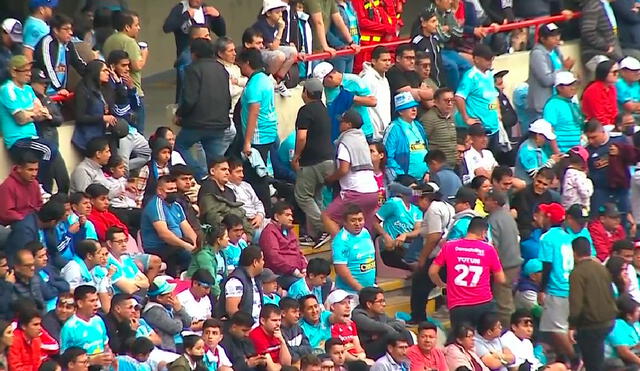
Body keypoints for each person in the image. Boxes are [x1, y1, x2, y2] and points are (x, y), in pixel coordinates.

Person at [429, 217, 505, 329]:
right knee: (484, 339)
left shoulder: (449, 246)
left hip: (458, 304)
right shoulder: (488, 249)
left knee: (461, 339)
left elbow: (432, 272)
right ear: (484, 232)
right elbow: (501, 279)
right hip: (483, 302)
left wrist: (442, 284)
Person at [174, 38, 232, 180]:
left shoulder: (192, 69)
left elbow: (189, 99)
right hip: (220, 122)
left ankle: (201, 176)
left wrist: (179, 114)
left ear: (194, 54)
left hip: (198, 123)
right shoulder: (221, 69)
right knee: (214, 161)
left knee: (180, 146)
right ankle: (215, 184)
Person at [0, 55, 59, 192]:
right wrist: (33, 112)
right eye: (25, 70)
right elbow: (20, 119)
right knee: (49, 150)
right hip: (17, 139)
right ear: (14, 72)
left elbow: (42, 113)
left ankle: (40, 188)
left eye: (29, 70)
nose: (29, 73)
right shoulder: (7, 90)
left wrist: (29, 112)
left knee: (50, 152)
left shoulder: (28, 89)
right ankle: (38, 186)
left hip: (32, 137)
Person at [322, 110, 379, 236]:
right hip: (372, 192)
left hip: (355, 192)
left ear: (349, 125)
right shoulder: (362, 140)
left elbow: (343, 169)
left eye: (342, 122)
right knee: (361, 228)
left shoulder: (346, 142)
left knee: (328, 216)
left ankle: (343, 246)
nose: (339, 125)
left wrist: (330, 179)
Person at [292, 78, 335, 242]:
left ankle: (326, 227)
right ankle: (316, 235)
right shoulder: (323, 109)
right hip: (328, 160)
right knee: (316, 196)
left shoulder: (306, 110)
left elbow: (302, 137)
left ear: (306, 93)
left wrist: (296, 156)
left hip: (312, 161)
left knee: (302, 196)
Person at [236, 47, 277, 212]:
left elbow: (254, 112)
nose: (239, 68)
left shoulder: (255, 84)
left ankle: (265, 211)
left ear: (247, 63)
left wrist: (247, 142)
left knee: (256, 177)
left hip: (257, 137)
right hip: (267, 132)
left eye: (240, 65)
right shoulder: (264, 79)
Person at [569, 236, 618, 371]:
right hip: (608, 320)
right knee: (597, 358)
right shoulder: (601, 268)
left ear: (574, 252)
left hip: (591, 325)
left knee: (592, 363)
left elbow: (576, 304)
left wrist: (572, 325)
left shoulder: (577, 273)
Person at [163, 0, 226, 103]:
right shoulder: (180, 8)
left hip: (206, 54)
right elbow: (167, 27)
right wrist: (186, 15)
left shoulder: (205, 9)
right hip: (188, 55)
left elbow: (221, 33)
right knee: (187, 86)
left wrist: (218, 17)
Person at [410, 183, 454, 324]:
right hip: (448, 254)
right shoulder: (447, 206)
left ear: (425, 198)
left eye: (418, 200)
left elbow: (434, 236)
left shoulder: (433, 209)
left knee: (420, 284)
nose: (417, 204)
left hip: (437, 255)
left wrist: (422, 258)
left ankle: (418, 317)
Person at [141, 175, 197, 277]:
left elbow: (187, 228)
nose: (173, 192)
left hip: (175, 245)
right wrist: (186, 246)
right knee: (186, 253)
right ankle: (180, 280)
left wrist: (197, 244)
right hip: (158, 247)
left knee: (199, 252)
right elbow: (164, 234)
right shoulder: (156, 205)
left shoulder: (176, 205)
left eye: (175, 189)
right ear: (159, 191)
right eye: (170, 189)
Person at [105, 50, 151, 173]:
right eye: (123, 65)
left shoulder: (126, 81)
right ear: (113, 66)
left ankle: (118, 170)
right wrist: (121, 86)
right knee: (122, 166)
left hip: (132, 130)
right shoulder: (109, 84)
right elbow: (118, 112)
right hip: (121, 133)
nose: (127, 69)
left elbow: (136, 106)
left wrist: (131, 89)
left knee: (147, 154)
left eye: (128, 65)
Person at [102, 10, 148, 132]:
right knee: (138, 130)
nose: (139, 28)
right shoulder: (130, 42)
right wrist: (144, 54)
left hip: (112, 88)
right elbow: (137, 65)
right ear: (127, 27)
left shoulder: (109, 40)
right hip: (131, 88)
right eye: (136, 25)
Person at [585, 119, 639, 215]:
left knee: (622, 218)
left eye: (594, 137)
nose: (591, 141)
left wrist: (621, 152)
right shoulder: (588, 150)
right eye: (588, 138)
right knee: (598, 219)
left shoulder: (620, 140)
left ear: (602, 132)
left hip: (620, 190)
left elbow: (634, 157)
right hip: (600, 190)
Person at [485, 190, 523, 327]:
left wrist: (491, 268)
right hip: (515, 264)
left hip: (504, 267)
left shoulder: (493, 220)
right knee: (507, 300)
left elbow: (493, 247)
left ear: (494, 202)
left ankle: (508, 332)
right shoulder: (508, 217)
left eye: (487, 199)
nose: (484, 202)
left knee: (503, 304)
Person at [313, 61, 377, 139]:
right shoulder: (328, 90)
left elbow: (373, 102)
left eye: (323, 82)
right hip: (342, 134)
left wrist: (352, 98)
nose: (323, 85)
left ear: (330, 77)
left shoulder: (353, 80)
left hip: (363, 131)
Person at [455, 44, 501, 149]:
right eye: (486, 59)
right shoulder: (470, 76)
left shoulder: (490, 74)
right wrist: (466, 118)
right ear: (476, 59)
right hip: (478, 131)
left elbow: (493, 95)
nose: (490, 61)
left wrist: (498, 112)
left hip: (493, 126)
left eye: (491, 59)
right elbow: (459, 97)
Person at [527, 23, 574, 122]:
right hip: (543, 105)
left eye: (558, 35)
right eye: (552, 36)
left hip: (557, 101)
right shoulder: (537, 54)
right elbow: (546, 80)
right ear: (543, 39)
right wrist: (564, 68)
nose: (557, 38)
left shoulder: (556, 50)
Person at [374, 177, 423, 270]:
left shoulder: (417, 209)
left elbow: (418, 230)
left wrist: (405, 235)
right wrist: (385, 236)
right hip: (391, 247)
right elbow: (375, 221)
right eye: (411, 189)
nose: (414, 193)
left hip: (408, 247)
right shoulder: (393, 203)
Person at [72, 59, 120, 153]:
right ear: (95, 72)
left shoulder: (105, 87)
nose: (108, 73)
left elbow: (121, 99)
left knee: (117, 162)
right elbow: (80, 117)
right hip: (89, 137)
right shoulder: (83, 90)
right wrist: (102, 118)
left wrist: (118, 83)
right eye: (104, 70)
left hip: (106, 134)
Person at [250, 2, 299, 96]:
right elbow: (274, 47)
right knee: (279, 56)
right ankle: (267, 81)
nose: (280, 15)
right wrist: (281, 29)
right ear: (268, 13)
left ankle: (277, 81)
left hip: (269, 50)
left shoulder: (275, 23)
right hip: (257, 52)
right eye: (277, 12)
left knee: (293, 52)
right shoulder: (261, 25)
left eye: (281, 12)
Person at [60, 285, 113, 369]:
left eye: (96, 300)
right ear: (80, 303)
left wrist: (110, 357)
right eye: (92, 301)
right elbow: (64, 359)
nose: (97, 304)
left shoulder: (98, 320)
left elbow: (105, 345)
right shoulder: (69, 327)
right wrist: (91, 361)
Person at [352, 287, 413, 360]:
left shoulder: (379, 313)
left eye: (384, 301)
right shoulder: (358, 315)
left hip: (381, 342)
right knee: (390, 335)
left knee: (405, 332)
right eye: (380, 301)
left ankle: (412, 356)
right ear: (369, 304)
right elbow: (381, 327)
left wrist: (382, 331)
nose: (384, 304)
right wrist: (388, 329)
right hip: (369, 349)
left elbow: (399, 323)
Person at [33, 14, 86, 95]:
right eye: (66, 29)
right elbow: (48, 68)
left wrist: (94, 74)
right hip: (45, 93)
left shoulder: (69, 44)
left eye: (71, 29)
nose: (71, 32)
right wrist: (59, 88)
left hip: (61, 93)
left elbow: (78, 63)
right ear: (56, 30)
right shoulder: (47, 42)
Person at [198, 157, 252, 233]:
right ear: (212, 171)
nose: (227, 173)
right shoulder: (208, 187)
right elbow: (213, 216)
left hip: (237, 231)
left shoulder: (230, 191)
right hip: (218, 234)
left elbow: (239, 215)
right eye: (223, 169)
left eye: (228, 170)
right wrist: (229, 233)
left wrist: (247, 233)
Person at [259, 202, 307, 288]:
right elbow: (274, 257)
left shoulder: (290, 232)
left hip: (297, 273)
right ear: (277, 217)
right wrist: (295, 272)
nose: (291, 218)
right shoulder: (269, 232)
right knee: (302, 285)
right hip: (280, 275)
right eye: (287, 215)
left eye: (291, 216)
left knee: (326, 281)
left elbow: (299, 253)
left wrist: (304, 269)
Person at [501, 310, 568, 371]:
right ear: (514, 327)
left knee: (561, 367)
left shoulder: (527, 342)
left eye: (531, 326)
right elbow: (513, 368)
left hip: (537, 368)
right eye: (525, 326)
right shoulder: (506, 340)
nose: (529, 329)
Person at [384, 92, 429, 181]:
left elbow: (426, 149)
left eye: (415, 106)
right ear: (400, 111)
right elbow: (387, 155)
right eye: (409, 107)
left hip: (423, 179)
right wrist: (401, 176)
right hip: (404, 180)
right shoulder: (394, 128)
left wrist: (427, 171)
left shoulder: (418, 126)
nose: (414, 109)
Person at [332, 204, 376, 293]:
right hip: (349, 292)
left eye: (360, 220)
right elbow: (341, 270)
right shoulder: (340, 241)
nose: (357, 224)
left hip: (369, 288)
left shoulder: (365, 232)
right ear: (344, 222)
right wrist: (361, 290)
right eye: (353, 220)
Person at [215, 245, 264, 323]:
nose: (263, 263)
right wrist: (247, 327)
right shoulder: (235, 281)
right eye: (262, 260)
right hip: (242, 330)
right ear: (255, 262)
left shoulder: (256, 279)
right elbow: (231, 310)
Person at [142, 276, 192, 353]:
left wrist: (179, 309)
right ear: (159, 298)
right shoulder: (154, 311)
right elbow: (175, 328)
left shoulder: (169, 306)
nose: (172, 295)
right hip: (167, 349)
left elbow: (188, 322)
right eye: (168, 293)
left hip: (181, 343)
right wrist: (178, 314)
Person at [386, 44, 433, 113]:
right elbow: (412, 95)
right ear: (398, 59)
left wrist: (418, 92)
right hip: (399, 116)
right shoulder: (393, 72)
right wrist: (419, 91)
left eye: (413, 58)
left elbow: (430, 94)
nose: (412, 61)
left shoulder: (412, 72)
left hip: (414, 116)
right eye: (408, 58)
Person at [580, 0, 624, 74]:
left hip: (613, 54)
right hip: (596, 54)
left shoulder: (606, 5)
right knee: (612, 78)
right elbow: (588, 31)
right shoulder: (593, 5)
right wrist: (605, 46)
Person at [359, 46, 392, 140]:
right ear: (373, 61)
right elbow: (366, 107)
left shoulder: (384, 78)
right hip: (373, 133)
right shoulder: (367, 79)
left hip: (383, 132)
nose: (388, 63)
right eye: (384, 60)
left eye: (389, 60)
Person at [511, 168, 555, 240]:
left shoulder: (548, 196)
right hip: (523, 231)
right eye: (539, 181)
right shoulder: (523, 193)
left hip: (541, 231)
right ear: (535, 178)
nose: (540, 186)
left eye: (545, 184)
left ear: (550, 185)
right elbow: (523, 219)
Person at [0, 153, 42, 227]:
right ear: (19, 169)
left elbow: (39, 205)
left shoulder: (34, 183)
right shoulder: (7, 186)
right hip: (13, 225)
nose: (34, 174)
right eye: (30, 170)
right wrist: (26, 219)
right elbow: (6, 213)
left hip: (33, 221)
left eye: (36, 170)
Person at [105, 226, 150, 294]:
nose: (124, 244)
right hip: (120, 300)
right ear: (109, 244)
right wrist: (137, 282)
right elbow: (129, 289)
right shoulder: (108, 262)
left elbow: (146, 283)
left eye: (125, 241)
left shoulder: (126, 258)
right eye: (120, 242)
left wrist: (131, 282)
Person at [186, 224, 228, 298]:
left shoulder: (222, 253)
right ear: (218, 240)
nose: (229, 239)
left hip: (218, 287)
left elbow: (225, 274)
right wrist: (220, 296)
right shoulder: (204, 256)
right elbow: (211, 279)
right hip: (202, 289)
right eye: (226, 237)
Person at [514, 119, 560, 183]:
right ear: (538, 135)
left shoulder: (537, 147)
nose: (546, 140)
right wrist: (552, 161)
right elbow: (534, 174)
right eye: (545, 138)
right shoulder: (527, 150)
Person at [421, 87, 457, 168]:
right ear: (436, 102)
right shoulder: (429, 119)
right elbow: (422, 144)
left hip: (453, 165)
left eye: (452, 100)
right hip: (437, 167)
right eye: (446, 100)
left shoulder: (451, 117)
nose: (450, 103)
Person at [227, 158, 266, 233]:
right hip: (246, 222)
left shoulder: (246, 185)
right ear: (228, 173)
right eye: (238, 172)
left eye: (242, 171)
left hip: (259, 219)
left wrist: (260, 216)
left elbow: (258, 203)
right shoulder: (226, 189)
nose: (242, 175)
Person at [29, 241, 69, 312]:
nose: (45, 258)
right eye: (40, 257)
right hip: (48, 309)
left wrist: (51, 283)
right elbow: (48, 294)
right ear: (31, 259)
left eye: (45, 255)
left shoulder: (47, 268)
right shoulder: (32, 275)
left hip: (59, 301)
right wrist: (56, 286)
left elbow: (65, 285)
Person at [411, 7, 445, 87]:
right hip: (426, 80)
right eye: (433, 21)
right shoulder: (417, 42)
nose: (436, 24)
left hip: (439, 78)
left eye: (436, 20)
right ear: (424, 23)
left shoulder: (435, 38)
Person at [605, 295, 640, 366]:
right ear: (629, 315)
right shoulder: (617, 325)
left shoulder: (636, 324)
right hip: (616, 361)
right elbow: (624, 352)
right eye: (637, 311)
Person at [583, 60, 620, 127]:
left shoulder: (612, 88)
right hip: (596, 126)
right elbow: (598, 115)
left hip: (611, 125)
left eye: (618, 72)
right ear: (604, 73)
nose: (617, 75)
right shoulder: (593, 90)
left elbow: (614, 111)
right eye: (614, 72)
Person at [279, 297, 312, 363]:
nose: (297, 315)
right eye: (294, 312)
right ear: (283, 313)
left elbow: (309, 349)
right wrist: (299, 351)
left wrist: (293, 349)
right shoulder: (279, 332)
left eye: (298, 312)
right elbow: (289, 354)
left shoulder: (299, 329)